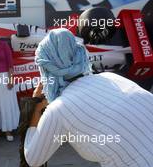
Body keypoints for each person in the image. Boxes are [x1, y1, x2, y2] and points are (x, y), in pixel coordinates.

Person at [24, 28, 153, 167]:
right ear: (79, 54)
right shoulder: (112, 77)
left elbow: (33, 159)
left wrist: (35, 108)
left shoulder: (59, 108)